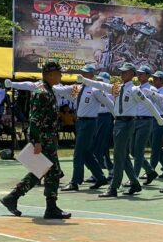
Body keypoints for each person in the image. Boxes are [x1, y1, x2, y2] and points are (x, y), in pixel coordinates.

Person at [8, 63, 110, 192]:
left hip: (89, 123)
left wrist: (119, 115)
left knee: (78, 153)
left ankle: (75, 181)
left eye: (86, 73)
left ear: (92, 76)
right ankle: (100, 177)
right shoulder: (77, 89)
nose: (82, 75)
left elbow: (110, 102)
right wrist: (14, 84)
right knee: (87, 153)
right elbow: (59, 90)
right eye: (82, 73)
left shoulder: (95, 89)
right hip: (80, 122)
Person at [0, 60, 71, 219]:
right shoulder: (42, 92)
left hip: (48, 138)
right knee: (49, 171)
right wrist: (36, 141)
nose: (61, 75)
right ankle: (49, 207)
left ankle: (13, 197)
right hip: (44, 138)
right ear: (50, 74)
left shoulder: (48, 89)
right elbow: (35, 120)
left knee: (44, 171)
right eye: (59, 73)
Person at [80, 63, 163, 197]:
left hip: (127, 123)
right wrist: (85, 81)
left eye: (125, 72)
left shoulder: (135, 90)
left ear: (132, 74)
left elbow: (147, 103)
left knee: (118, 156)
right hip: (118, 123)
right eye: (121, 72)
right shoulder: (118, 87)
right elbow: (102, 86)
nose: (122, 74)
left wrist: (159, 118)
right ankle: (135, 183)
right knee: (123, 156)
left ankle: (114, 187)